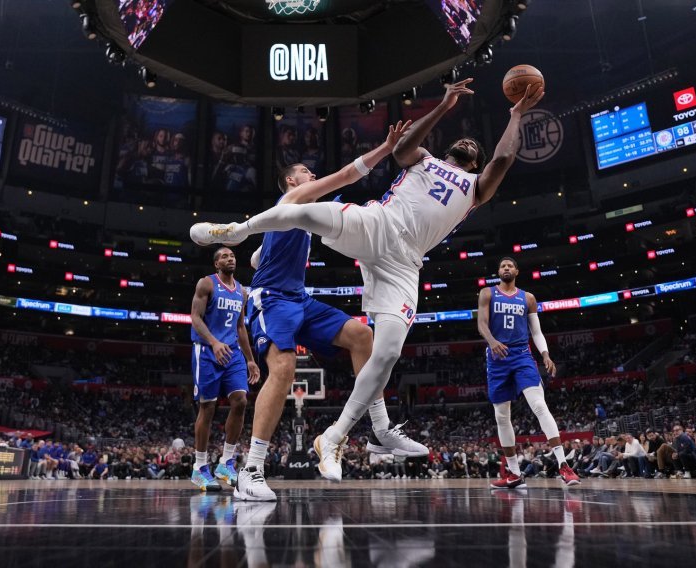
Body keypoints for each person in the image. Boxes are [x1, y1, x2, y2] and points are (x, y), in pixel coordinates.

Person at [191, 78, 544, 483]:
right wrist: (443, 106)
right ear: (448, 151)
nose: (469, 147)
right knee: (303, 212)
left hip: (404, 265)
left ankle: (343, 435)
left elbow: (503, 159)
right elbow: (400, 148)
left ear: (476, 165)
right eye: (462, 144)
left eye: (475, 151)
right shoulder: (425, 159)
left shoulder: (477, 187)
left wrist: (516, 115)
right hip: (379, 223)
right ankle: (237, 231)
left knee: (385, 348)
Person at [209, 121, 426, 501]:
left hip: (299, 298)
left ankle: (379, 427)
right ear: (293, 183)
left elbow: (263, 254)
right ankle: (252, 469)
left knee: (363, 336)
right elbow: (346, 175)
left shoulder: (299, 217)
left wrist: (262, 254)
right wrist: (385, 148)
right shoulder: (292, 200)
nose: (312, 175)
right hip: (272, 299)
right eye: (305, 173)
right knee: (284, 368)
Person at [478, 257, 580, 488]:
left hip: (522, 355)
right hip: (497, 358)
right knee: (501, 416)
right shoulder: (487, 293)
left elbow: (536, 331)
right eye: (502, 265)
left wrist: (545, 354)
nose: (505, 268)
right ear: (498, 271)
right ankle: (514, 473)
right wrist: (492, 341)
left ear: (516, 271)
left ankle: (564, 466)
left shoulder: (528, 298)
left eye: (509, 265)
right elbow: (482, 324)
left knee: (539, 405)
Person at [190, 247, 261, 491]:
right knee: (208, 407)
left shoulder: (241, 291)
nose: (229, 258)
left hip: (232, 353)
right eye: (223, 256)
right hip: (207, 351)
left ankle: (225, 463)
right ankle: (199, 467)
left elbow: (241, 327)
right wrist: (214, 342)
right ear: (216, 264)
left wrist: (250, 359)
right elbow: (195, 317)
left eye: (231, 255)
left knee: (241, 401)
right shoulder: (206, 284)